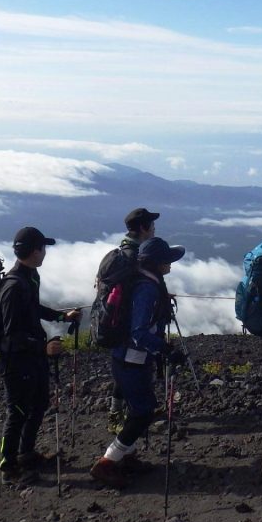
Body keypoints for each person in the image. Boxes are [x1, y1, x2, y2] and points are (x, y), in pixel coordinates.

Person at [89, 237, 187, 489]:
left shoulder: (142, 281)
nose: (171, 264)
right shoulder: (147, 289)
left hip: (127, 357)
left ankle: (127, 456)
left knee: (139, 408)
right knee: (143, 411)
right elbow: (139, 332)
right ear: (156, 263)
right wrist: (165, 350)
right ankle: (108, 462)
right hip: (131, 359)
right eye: (167, 259)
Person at [0, 226, 81, 487]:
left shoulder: (29, 277)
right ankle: (8, 467)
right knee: (18, 411)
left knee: (39, 403)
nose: (45, 253)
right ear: (35, 251)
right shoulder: (13, 286)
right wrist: (42, 349)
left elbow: (34, 309)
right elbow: (11, 334)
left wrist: (61, 316)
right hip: (17, 360)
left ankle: (26, 454)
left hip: (31, 356)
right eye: (43, 248)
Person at [103, 207, 160, 434]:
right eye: (152, 225)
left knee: (123, 370)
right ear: (143, 228)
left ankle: (121, 412)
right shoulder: (137, 257)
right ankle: (126, 420)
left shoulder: (120, 253)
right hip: (130, 327)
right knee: (133, 370)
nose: (155, 228)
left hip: (117, 324)